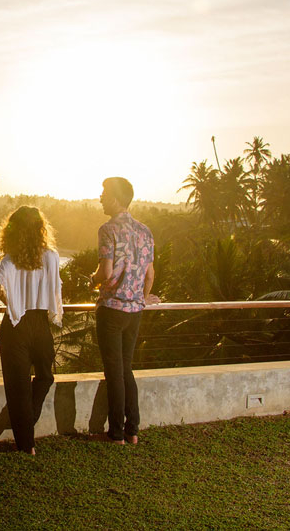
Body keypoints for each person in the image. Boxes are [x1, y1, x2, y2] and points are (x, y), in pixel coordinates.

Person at [0, 206, 63, 454]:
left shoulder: (11, 258)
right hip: (40, 324)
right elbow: (56, 290)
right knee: (45, 376)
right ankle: (26, 437)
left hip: (15, 324)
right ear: (40, 229)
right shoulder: (51, 256)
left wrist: (7, 301)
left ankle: (25, 438)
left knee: (18, 386)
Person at [91, 177, 159, 445]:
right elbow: (150, 275)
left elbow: (105, 272)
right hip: (135, 311)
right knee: (126, 369)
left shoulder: (108, 230)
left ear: (117, 198)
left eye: (105, 193)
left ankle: (116, 433)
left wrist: (92, 280)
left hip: (112, 309)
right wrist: (141, 298)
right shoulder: (145, 231)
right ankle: (133, 430)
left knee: (114, 371)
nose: (100, 197)